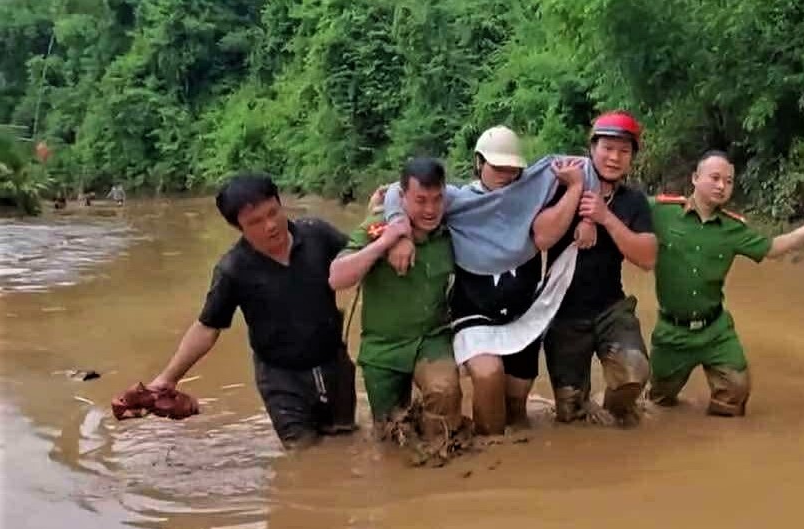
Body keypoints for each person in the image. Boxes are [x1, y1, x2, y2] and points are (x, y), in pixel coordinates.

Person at [383, 127, 590, 435]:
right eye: (497, 167)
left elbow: (593, 173)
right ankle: (489, 453)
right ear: (479, 163)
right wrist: (398, 230)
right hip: (474, 312)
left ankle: (512, 459)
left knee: (517, 407)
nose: (506, 174)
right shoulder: (455, 199)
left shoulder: (537, 192)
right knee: (488, 376)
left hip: (524, 313)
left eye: (512, 168)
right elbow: (392, 193)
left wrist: (585, 215)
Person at [147, 173, 356, 449]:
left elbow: (360, 256)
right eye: (255, 222)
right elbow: (208, 328)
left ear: (281, 204)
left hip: (335, 365)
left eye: (273, 213)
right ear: (238, 228)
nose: (270, 226)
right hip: (281, 379)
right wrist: (168, 377)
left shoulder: (316, 234)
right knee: (303, 454)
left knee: (346, 442)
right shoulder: (234, 270)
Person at [647, 150, 804, 416]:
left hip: (715, 331)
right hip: (672, 332)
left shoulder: (733, 228)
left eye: (728, 181)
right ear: (695, 178)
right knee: (657, 401)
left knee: (735, 394)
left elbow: (773, 248)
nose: (721, 186)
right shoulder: (660, 212)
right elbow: (620, 210)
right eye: (715, 178)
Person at [328, 158, 463, 439]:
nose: (430, 210)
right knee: (389, 433)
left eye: (437, 199)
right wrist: (386, 242)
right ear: (402, 197)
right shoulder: (378, 226)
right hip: (383, 347)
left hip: (432, 339)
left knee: (445, 393)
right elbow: (337, 278)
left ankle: (441, 467)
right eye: (420, 200)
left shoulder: (454, 226)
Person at [542, 110, 658, 426]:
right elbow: (540, 238)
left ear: (632, 157)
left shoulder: (633, 201)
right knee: (569, 413)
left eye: (624, 151)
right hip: (562, 314)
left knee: (634, 373)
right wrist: (577, 201)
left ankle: (615, 408)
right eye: (607, 148)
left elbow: (647, 258)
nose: (614, 157)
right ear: (591, 149)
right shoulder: (556, 186)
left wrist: (605, 217)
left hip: (610, 309)